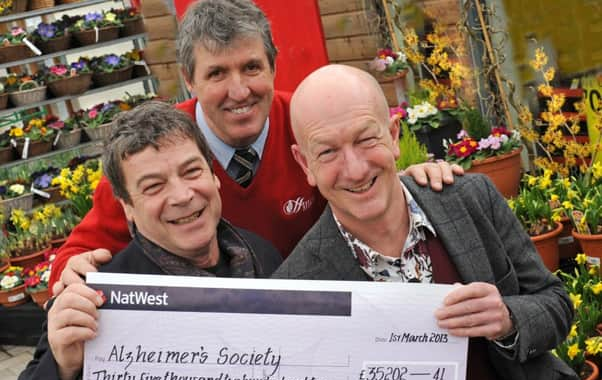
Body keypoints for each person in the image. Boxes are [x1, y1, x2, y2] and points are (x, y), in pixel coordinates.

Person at [48, 0, 463, 289]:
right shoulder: (159, 154)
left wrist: (413, 183)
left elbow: (366, 176)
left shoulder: (309, 126)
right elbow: (76, 256)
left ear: (273, 65)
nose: (239, 90)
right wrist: (72, 272)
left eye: (251, 67)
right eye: (216, 74)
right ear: (189, 80)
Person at [272, 64, 601, 380]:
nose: (354, 169)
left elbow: (555, 305)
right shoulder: (299, 284)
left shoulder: (470, 199)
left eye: (366, 139)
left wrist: (508, 319)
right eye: (328, 152)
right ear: (305, 164)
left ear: (393, 135)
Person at [0, 102, 283, 380]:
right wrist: (64, 371)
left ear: (214, 176)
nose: (181, 195)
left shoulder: (264, 255)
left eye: (192, 171)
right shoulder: (97, 300)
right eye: (153, 186)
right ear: (127, 207)